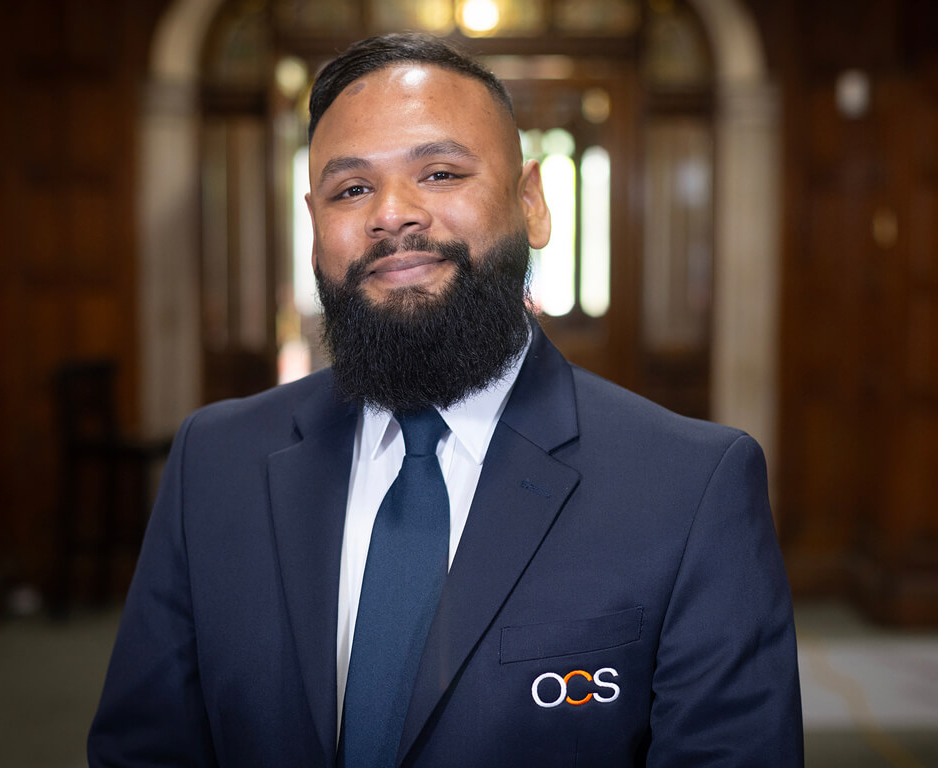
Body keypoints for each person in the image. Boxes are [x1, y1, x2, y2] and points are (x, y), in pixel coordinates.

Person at [88, 33, 803, 767]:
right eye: (352, 189)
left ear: (531, 203)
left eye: (439, 173)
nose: (392, 215)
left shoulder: (692, 487)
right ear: (314, 228)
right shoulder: (215, 461)